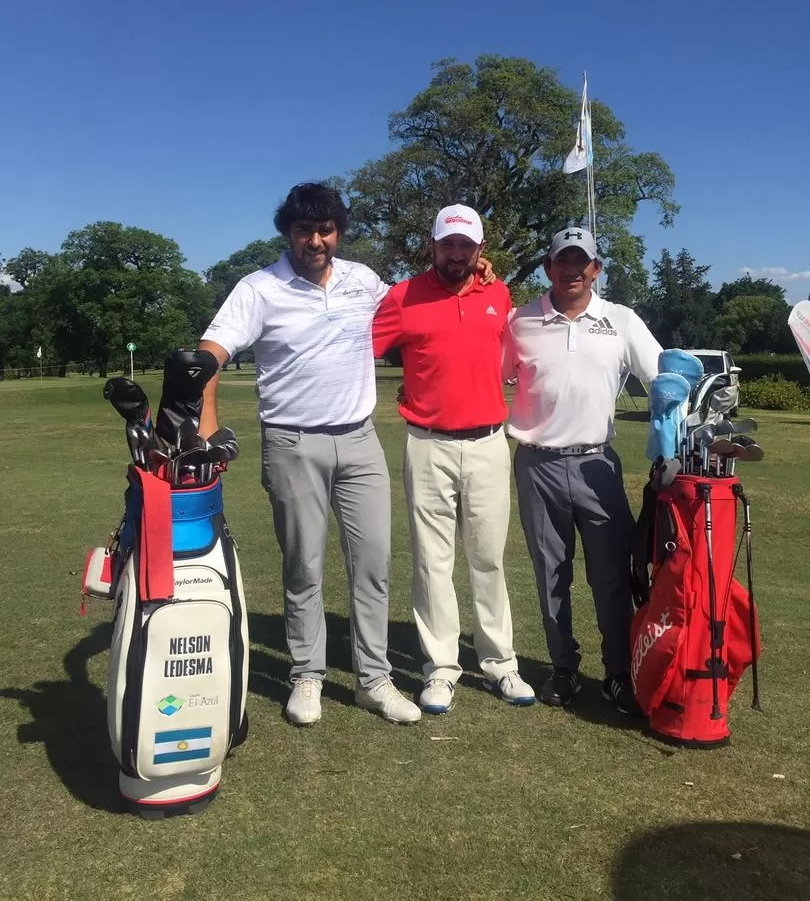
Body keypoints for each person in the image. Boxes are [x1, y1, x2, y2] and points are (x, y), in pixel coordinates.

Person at [198, 183, 422, 727]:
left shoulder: (363, 280)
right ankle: (307, 675)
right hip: (292, 442)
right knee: (304, 565)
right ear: (288, 233)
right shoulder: (259, 288)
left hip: (360, 439)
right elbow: (208, 354)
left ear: (338, 231)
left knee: (372, 564)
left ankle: (374, 680)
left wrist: (479, 270)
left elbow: (418, 311)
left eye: (325, 229)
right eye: (304, 230)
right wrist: (205, 433)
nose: (316, 240)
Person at [372, 204, 535, 715]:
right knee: (432, 560)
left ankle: (499, 662)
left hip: (489, 442)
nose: (457, 253)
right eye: (448, 244)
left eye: (466, 245)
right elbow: (357, 351)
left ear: (479, 249)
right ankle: (441, 666)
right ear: (433, 244)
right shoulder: (401, 297)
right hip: (427, 442)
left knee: (487, 557)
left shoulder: (499, 292)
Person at [504, 227, 661, 714]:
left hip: (597, 466)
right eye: (562, 260)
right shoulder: (520, 320)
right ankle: (564, 667)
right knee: (551, 573)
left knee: (611, 576)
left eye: (582, 261)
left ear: (597, 267)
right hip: (536, 464)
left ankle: (617, 672)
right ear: (548, 266)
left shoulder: (621, 320)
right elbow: (487, 375)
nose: (572, 269)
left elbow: (664, 380)